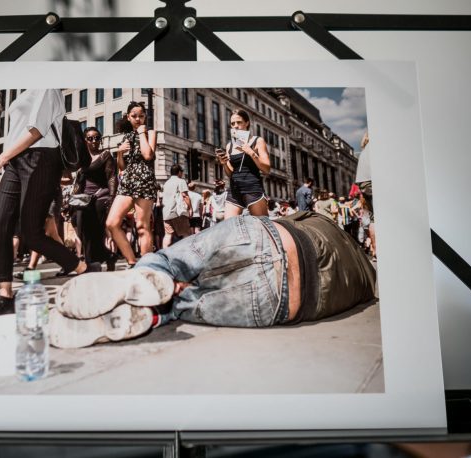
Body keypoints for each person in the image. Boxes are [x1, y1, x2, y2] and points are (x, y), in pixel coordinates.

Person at [49, 212, 376, 349]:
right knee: (180, 303)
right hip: (282, 299)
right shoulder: (366, 281)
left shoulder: (324, 222)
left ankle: (148, 277)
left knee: (168, 263)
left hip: (267, 234)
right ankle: (152, 313)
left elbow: (284, 218)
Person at [0, 89, 99, 321]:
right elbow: (16, 131)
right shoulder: (24, 91)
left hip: (40, 158)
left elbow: (36, 130)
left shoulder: (47, 86)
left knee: (32, 234)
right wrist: (6, 162)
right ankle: (5, 296)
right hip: (14, 160)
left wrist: (0, 158)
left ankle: (82, 268)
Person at [105, 101, 157, 268]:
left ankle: (147, 267)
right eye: (134, 116)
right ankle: (132, 261)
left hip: (144, 181)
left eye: (141, 116)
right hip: (127, 181)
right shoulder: (126, 137)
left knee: (142, 226)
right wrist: (119, 153)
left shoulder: (150, 133)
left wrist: (142, 134)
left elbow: (148, 155)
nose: (138, 119)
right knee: (111, 223)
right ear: (128, 117)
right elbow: (121, 167)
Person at [75, 127, 117, 270]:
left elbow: (111, 177)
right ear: (85, 140)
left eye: (97, 138)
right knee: (83, 229)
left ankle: (92, 262)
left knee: (97, 230)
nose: (94, 141)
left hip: (101, 196)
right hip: (84, 199)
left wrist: (112, 198)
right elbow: (78, 180)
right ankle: (106, 256)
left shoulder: (105, 155)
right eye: (90, 138)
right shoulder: (81, 157)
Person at [216, 110, 271, 219]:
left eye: (239, 122)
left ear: (247, 123)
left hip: (253, 189)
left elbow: (266, 169)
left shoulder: (258, 141)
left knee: (263, 226)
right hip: (234, 190)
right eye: (232, 124)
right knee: (229, 226)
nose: (235, 126)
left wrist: (251, 152)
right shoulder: (229, 146)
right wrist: (224, 164)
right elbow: (230, 174)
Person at [355, 132, 376, 260]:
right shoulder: (375, 146)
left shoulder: (364, 152)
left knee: (373, 218)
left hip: (363, 183)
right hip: (371, 182)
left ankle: (375, 250)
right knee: (376, 218)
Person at [161, 164, 192, 248]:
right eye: (182, 172)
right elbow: (185, 195)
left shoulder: (166, 183)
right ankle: (186, 254)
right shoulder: (181, 181)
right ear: (179, 172)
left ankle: (164, 254)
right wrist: (190, 208)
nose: (182, 174)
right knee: (186, 234)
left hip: (166, 213)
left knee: (168, 235)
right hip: (177, 212)